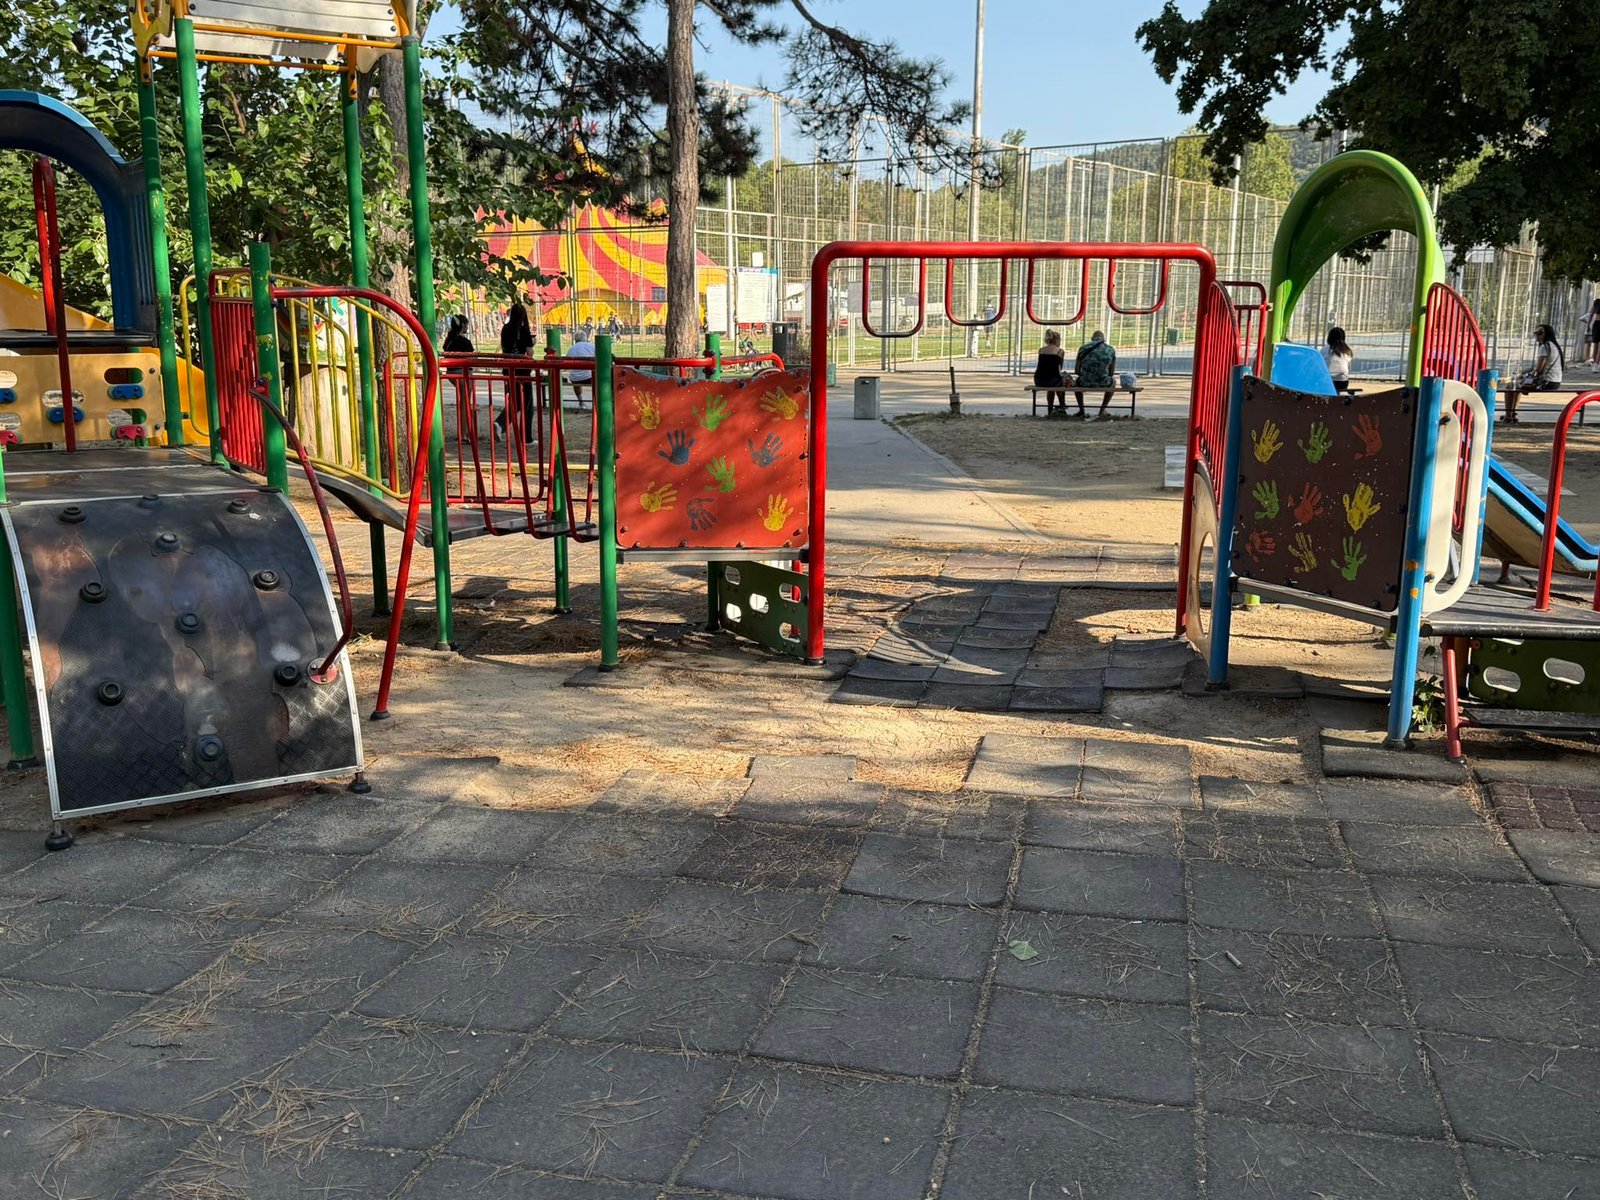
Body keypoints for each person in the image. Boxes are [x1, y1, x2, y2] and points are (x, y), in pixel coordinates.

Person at [1505, 323, 1564, 424]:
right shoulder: (1554, 346)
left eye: (1540, 333)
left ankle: (1508, 416)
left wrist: (1522, 375)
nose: (1537, 335)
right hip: (1555, 382)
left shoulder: (1544, 347)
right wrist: (1523, 374)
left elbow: (1538, 370)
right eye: (1535, 333)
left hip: (1546, 383)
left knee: (1510, 386)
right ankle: (1512, 414)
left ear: (1547, 334)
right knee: (1517, 387)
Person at [497, 302, 535, 438]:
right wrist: (532, 344)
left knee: (515, 400)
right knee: (526, 403)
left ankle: (500, 424)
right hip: (522, 370)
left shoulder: (505, 329)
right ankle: (526, 436)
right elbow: (529, 352)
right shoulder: (523, 330)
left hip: (508, 368)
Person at [1073, 330, 1117, 419]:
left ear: (1092, 338)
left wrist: (1086, 374)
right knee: (1113, 382)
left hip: (1085, 382)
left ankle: (1081, 410)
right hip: (1103, 382)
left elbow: (1077, 371)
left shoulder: (1083, 348)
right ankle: (1102, 410)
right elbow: (1111, 373)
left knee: (1076, 382)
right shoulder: (1110, 349)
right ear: (1103, 339)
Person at [1033, 329, 1068, 417]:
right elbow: (1060, 368)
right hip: (1052, 380)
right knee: (1060, 383)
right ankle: (1062, 405)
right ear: (1058, 340)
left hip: (1039, 379)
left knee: (1051, 387)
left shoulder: (1041, 350)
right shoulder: (1060, 351)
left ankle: (1050, 408)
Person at [567, 333, 596, 406]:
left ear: (575, 340)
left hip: (575, 378)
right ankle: (596, 401)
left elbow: (567, 363)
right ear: (585, 338)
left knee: (575, 376)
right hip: (590, 377)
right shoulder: (592, 346)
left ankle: (581, 401)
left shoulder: (571, 349)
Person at [1322, 326, 1354, 393]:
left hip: (1329, 381)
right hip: (1343, 382)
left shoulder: (1325, 349)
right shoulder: (1347, 350)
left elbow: (1321, 364)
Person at [1583, 299, 1600, 369]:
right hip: (1596, 324)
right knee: (1596, 345)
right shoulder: (1597, 302)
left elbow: (1591, 312)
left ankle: (1596, 364)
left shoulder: (1596, 302)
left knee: (1596, 345)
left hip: (1596, 325)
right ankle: (1597, 363)